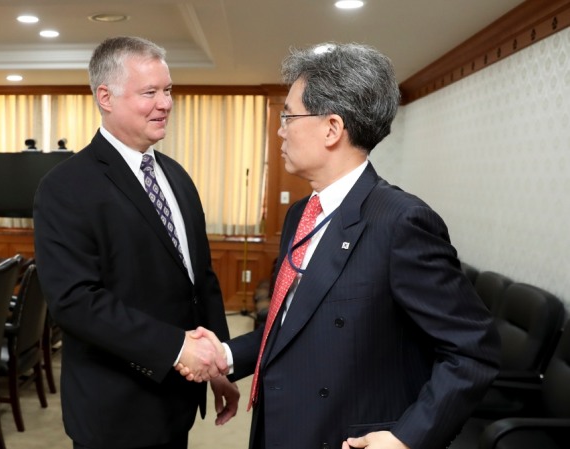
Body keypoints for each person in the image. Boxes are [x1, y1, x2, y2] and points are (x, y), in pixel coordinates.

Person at [180, 42, 500, 449]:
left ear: (332, 128)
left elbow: (473, 350)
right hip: (278, 427)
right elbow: (290, 323)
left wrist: (406, 438)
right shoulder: (301, 213)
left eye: (289, 116)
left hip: (341, 436)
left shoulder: (401, 222)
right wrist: (225, 355)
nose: (280, 129)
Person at [33, 36, 239, 449]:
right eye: (150, 92)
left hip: (176, 401)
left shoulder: (176, 176)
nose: (165, 103)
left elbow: (201, 280)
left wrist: (219, 365)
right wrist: (177, 347)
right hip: (115, 410)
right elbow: (75, 301)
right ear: (105, 97)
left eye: (168, 90)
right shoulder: (65, 186)